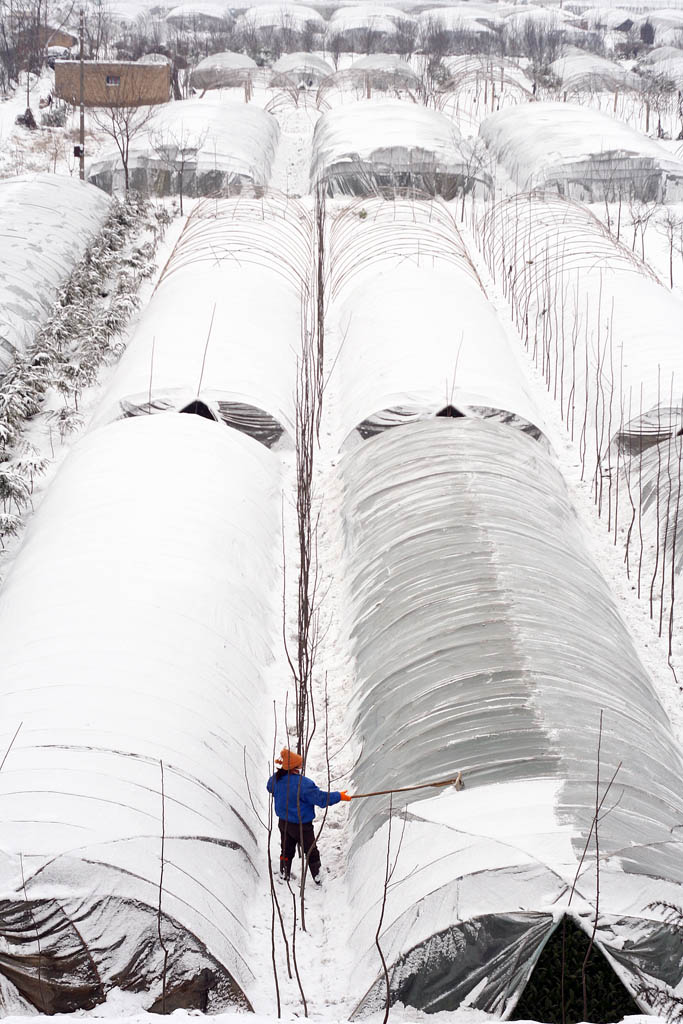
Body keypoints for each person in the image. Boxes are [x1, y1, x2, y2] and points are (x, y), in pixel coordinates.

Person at [267, 748, 351, 884]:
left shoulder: (276, 779)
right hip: (302, 827)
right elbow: (321, 799)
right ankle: (318, 877)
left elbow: (270, 787)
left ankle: (284, 873)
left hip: (284, 823)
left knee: (286, 850)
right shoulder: (303, 784)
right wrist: (339, 796)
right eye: (299, 764)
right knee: (311, 851)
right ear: (295, 767)